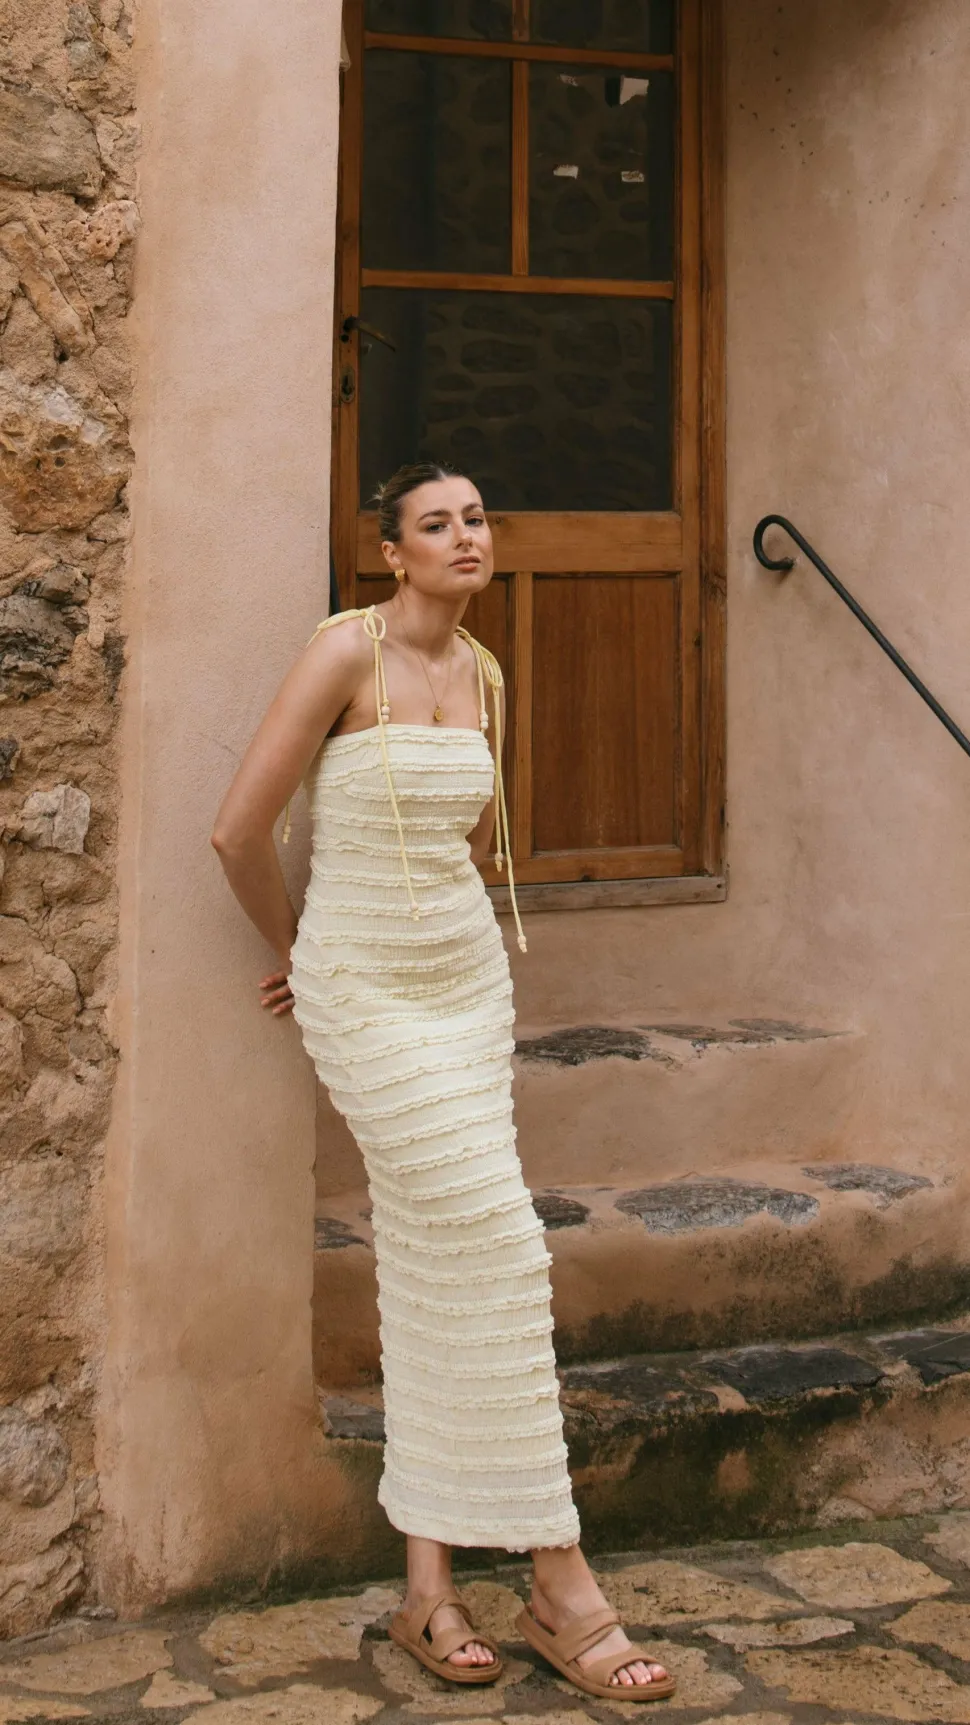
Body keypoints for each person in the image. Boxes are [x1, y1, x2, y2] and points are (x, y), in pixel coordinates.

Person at [211, 461, 674, 1702]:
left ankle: (428, 1592)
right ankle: (562, 1584)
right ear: (391, 552)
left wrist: (437, 922)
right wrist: (302, 951)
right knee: (502, 1245)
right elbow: (237, 829)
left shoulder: (485, 673)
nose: (465, 537)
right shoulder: (342, 654)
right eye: (436, 524)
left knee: (431, 1257)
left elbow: (470, 842)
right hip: (362, 988)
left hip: (465, 986)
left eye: (475, 519)